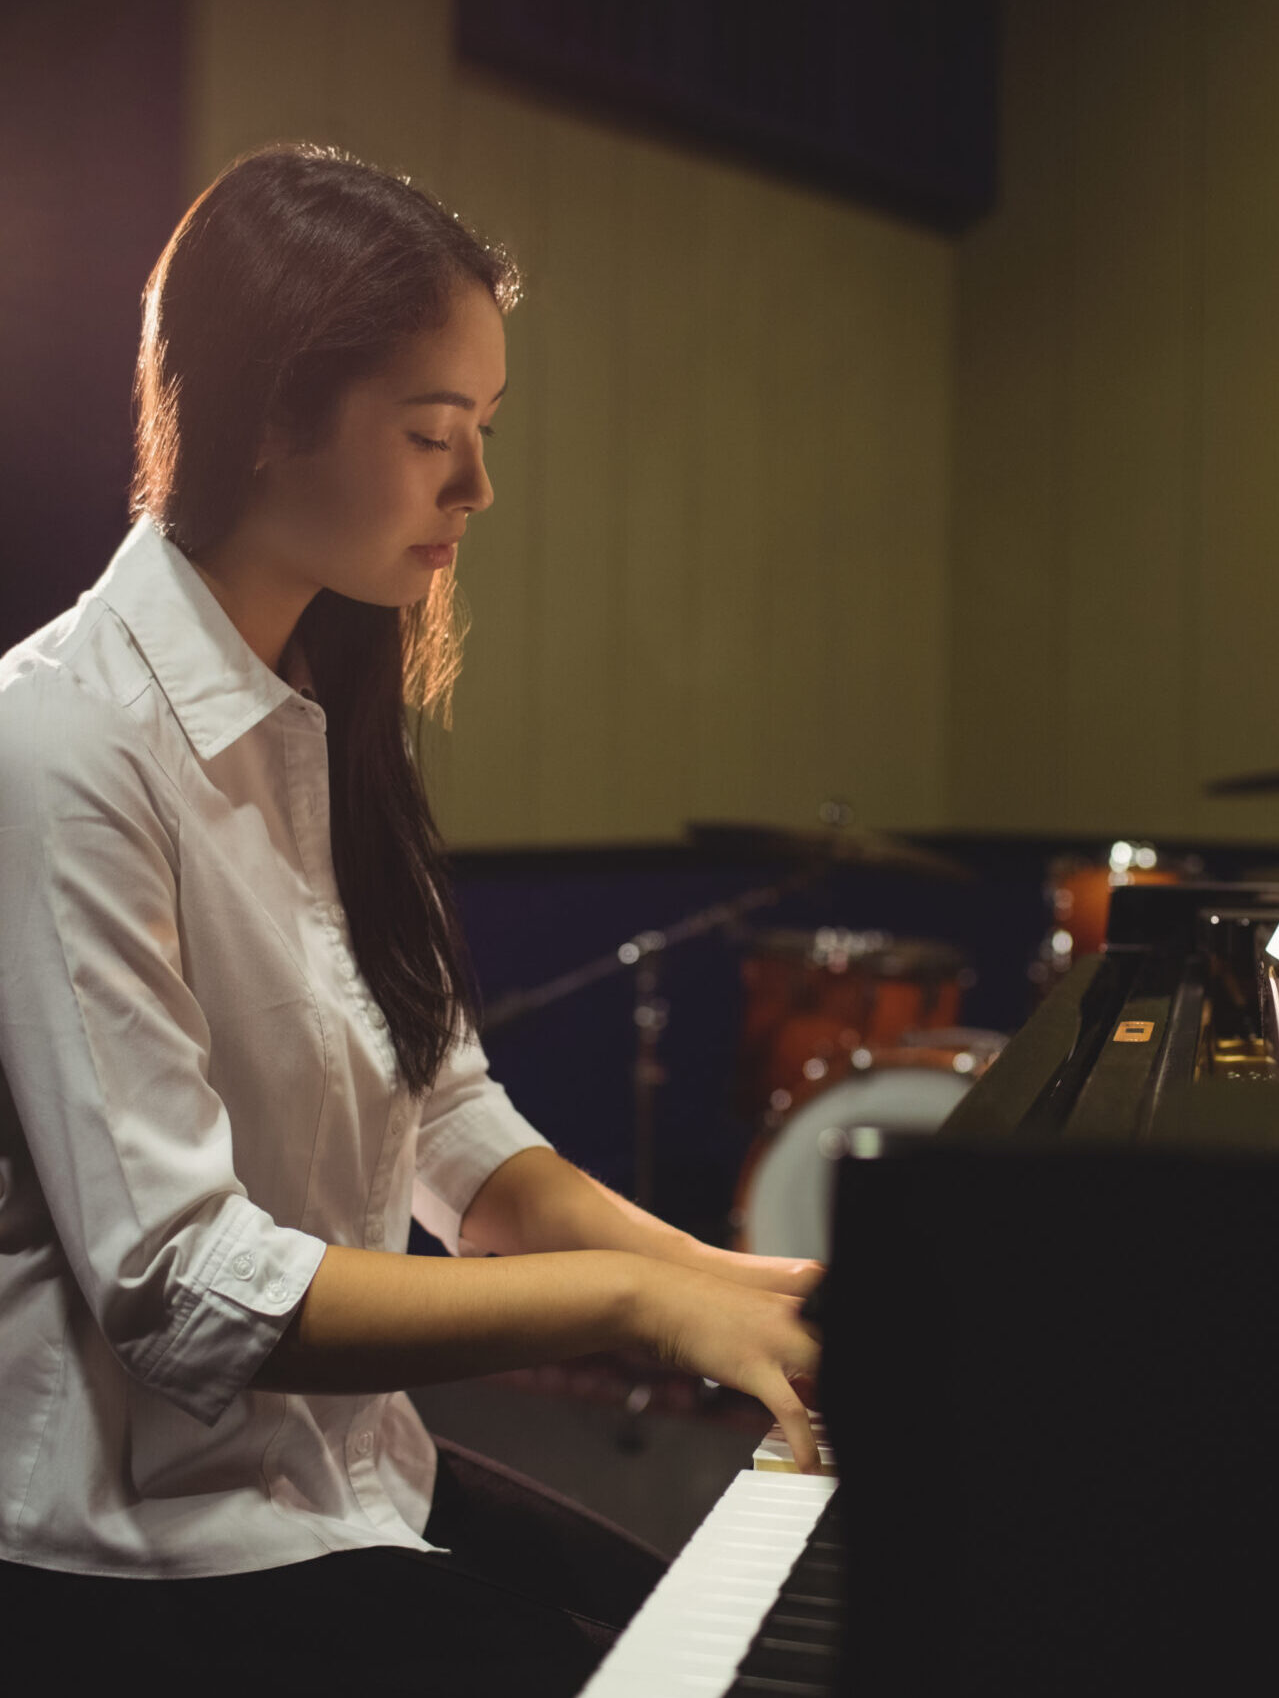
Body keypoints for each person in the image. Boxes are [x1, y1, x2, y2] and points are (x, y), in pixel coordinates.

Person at [0, 143, 822, 1689]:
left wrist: (738, 1286)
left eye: (485, 432)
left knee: (707, 1637)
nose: (480, 486)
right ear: (264, 419)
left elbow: (458, 1136)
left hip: (343, 1475)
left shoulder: (322, 714)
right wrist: (638, 1305)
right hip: (136, 1546)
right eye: (434, 433)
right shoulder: (61, 744)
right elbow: (177, 1283)